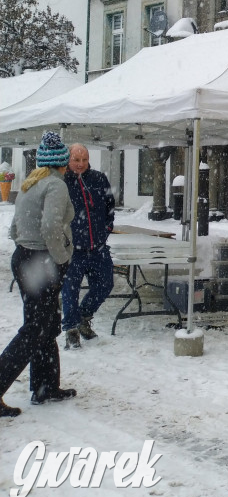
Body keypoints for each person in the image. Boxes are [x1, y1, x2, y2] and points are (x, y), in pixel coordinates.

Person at [0, 131, 78, 417]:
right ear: (62, 162)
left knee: (44, 324)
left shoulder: (31, 182)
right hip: (40, 262)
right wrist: (61, 259)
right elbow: (49, 228)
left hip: (24, 258)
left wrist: (31, 249)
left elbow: (13, 229)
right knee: (35, 328)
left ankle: (46, 386)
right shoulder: (56, 186)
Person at [61, 144, 116, 348]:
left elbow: (110, 205)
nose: (81, 164)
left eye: (84, 160)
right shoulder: (62, 182)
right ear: (68, 160)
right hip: (72, 249)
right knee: (70, 290)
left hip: (98, 246)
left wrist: (107, 227)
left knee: (105, 284)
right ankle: (71, 329)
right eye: (76, 160)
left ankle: (84, 316)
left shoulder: (98, 178)